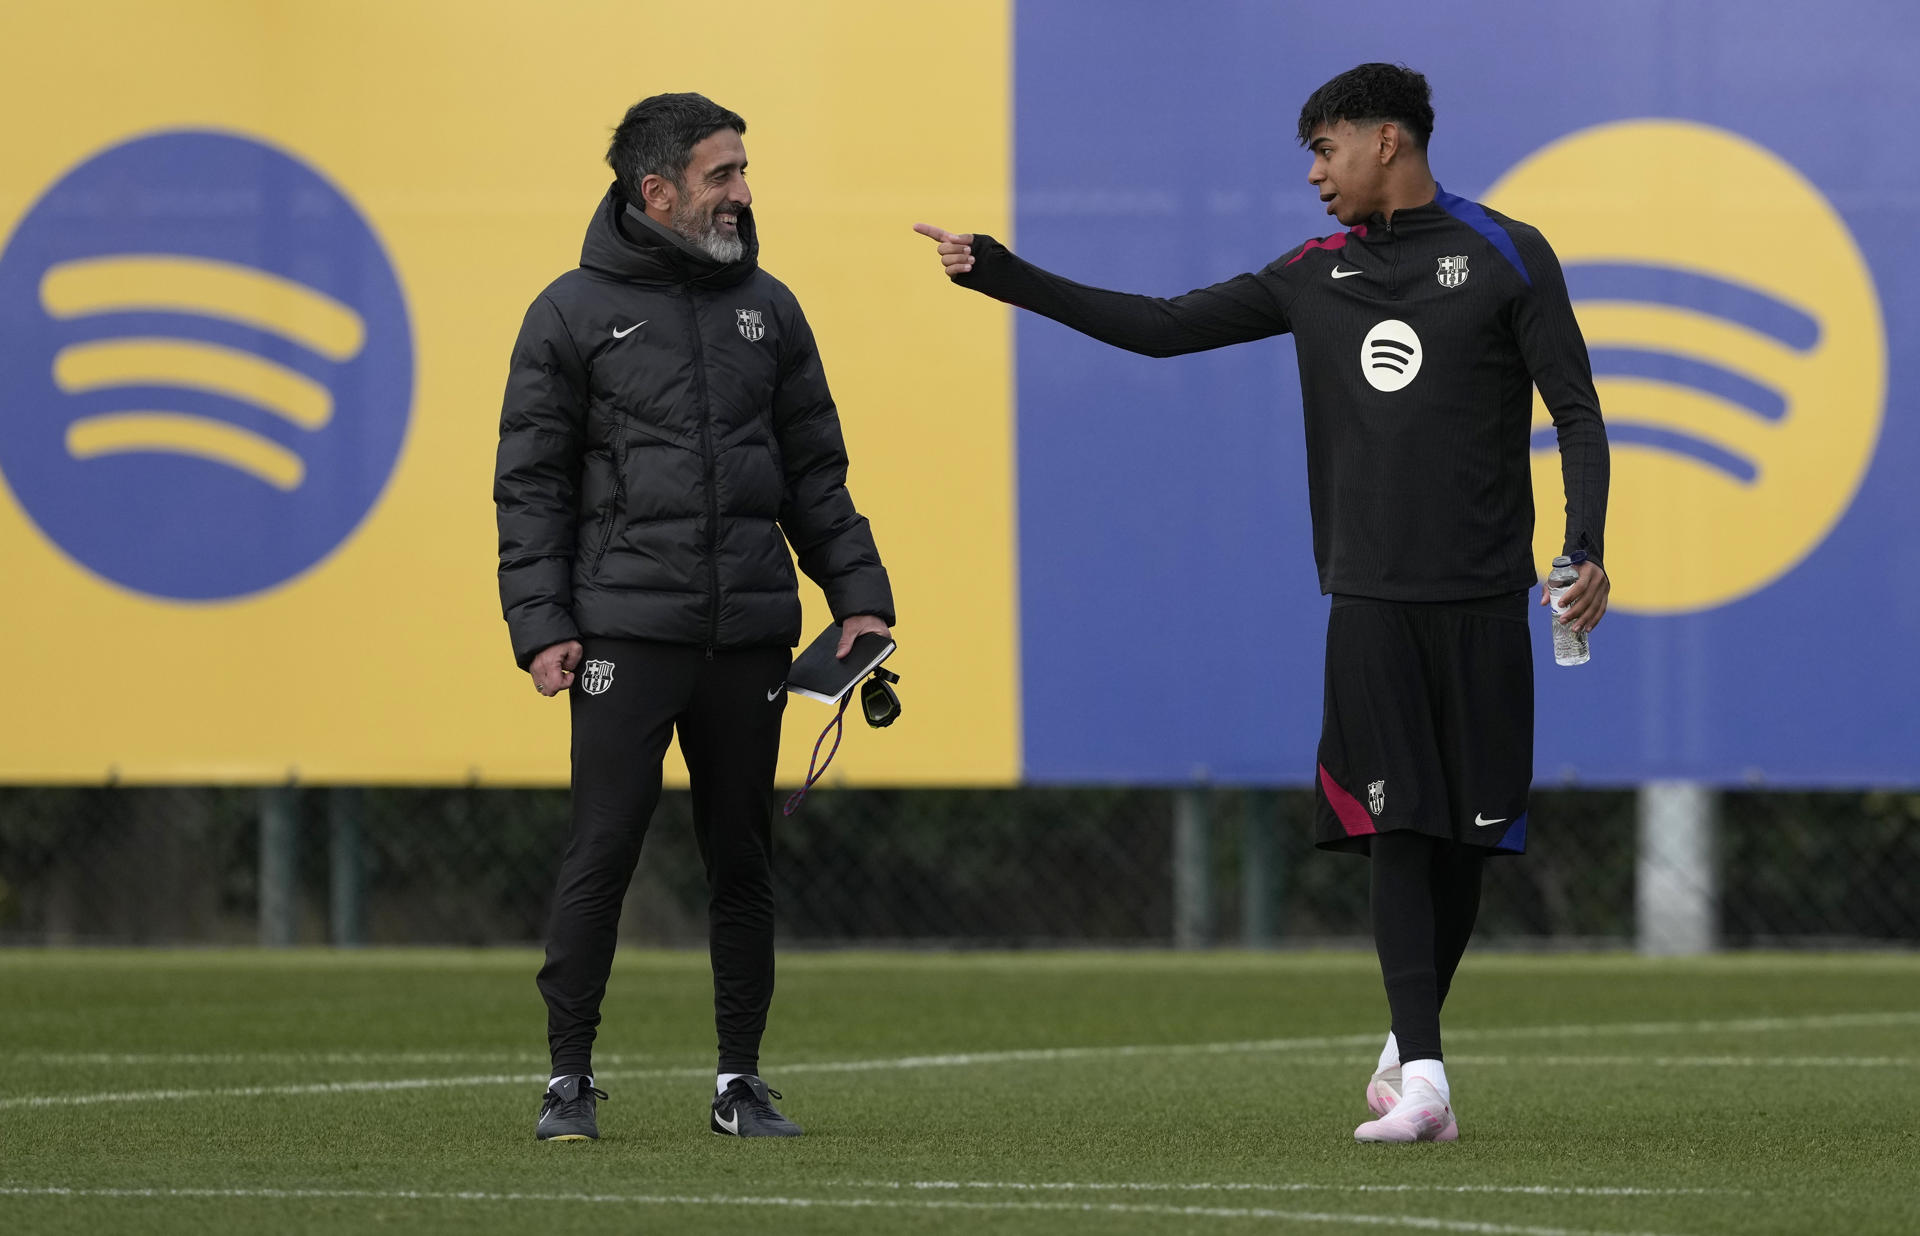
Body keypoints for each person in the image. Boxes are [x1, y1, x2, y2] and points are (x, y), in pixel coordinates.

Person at [916, 62, 1608, 1143]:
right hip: (1371, 600)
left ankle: (1406, 1040)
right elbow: (1157, 325)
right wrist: (1005, 275)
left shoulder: (1507, 254)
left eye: (1326, 151)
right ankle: (1426, 1076)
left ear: (1388, 140)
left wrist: (1584, 549)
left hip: (1486, 603)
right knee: (1398, 828)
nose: (1317, 177)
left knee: (1474, 839)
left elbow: (1576, 410)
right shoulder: (1312, 273)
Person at [497, 92, 894, 1142]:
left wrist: (858, 598)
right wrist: (542, 623)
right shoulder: (568, 313)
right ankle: (568, 1083)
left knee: (742, 858)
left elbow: (816, 474)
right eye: (723, 175)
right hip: (623, 635)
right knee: (603, 852)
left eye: (744, 170)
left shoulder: (772, 307)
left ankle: (739, 1085)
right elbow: (529, 485)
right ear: (656, 189)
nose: (744, 193)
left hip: (750, 635)